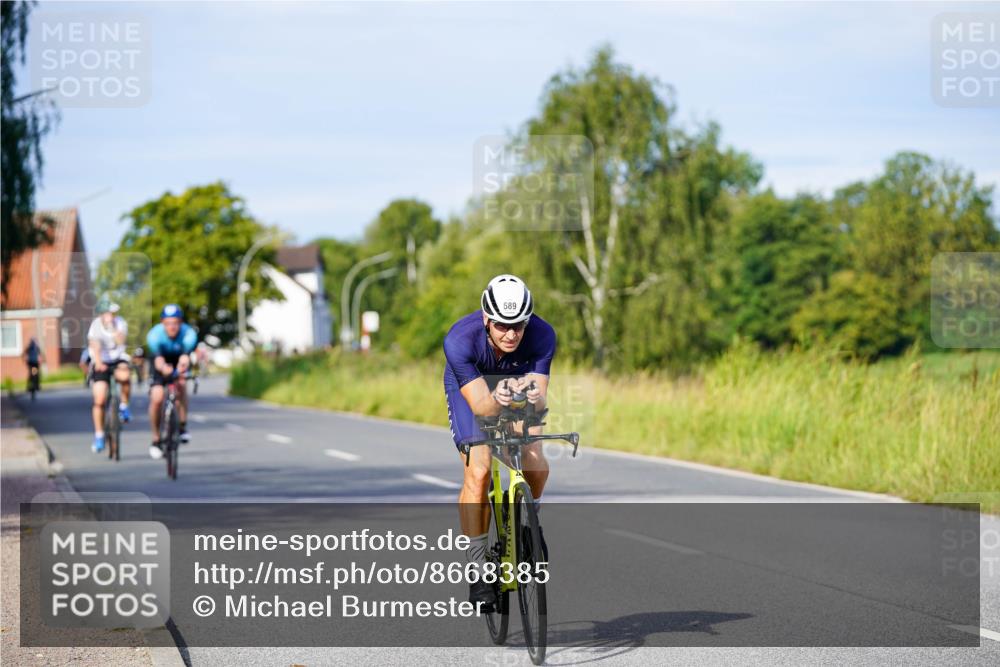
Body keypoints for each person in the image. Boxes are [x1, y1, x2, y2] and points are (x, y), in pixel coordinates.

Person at [442, 274, 556, 610]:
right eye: (503, 326)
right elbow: (484, 409)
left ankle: (529, 526)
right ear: (486, 319)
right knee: (478, 471)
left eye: (519, 326)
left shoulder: (543, 335)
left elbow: (537, 400)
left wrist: (524, 420)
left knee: (534, 456)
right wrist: (504, 403)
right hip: (472, 389)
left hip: (516, 384)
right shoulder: (460, 341)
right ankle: (477, 569)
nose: (511, 334)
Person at [146, 304, 198, 460]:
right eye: (168, 323)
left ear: (180, 322)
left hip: (179, 360)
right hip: (160, 361)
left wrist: (183, 365)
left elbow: (185, 357)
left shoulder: (188, 333)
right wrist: (163, 368)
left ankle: (182, 426)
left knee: (181, 384)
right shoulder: (155, 335)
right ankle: (156, 439)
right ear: (162, 323)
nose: (172, 327)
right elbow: (158, 360)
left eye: (175, 323)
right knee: (157, 398)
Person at [87, 302, 132, 452]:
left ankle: (124, 406)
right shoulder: (95, 326)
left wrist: (112, 329)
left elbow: (120, 341)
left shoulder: (120, 323)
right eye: (108, 313)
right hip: (101, 360)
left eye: (113, 313)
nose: (111, 316)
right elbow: (95, 345)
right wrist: (99, 362)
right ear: (101, 314)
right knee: (99, 399)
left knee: (125, 376)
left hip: (118, 358)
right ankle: (99, 435)